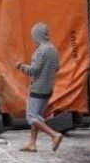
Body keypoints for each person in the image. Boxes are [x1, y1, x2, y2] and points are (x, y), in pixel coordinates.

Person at [16, 22, 63, 153]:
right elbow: (57, 68)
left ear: (37, 36)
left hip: (38, 89)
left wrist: (21, 66)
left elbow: (33, 71)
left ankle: (54, 135)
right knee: (37, 116)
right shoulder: (53, 49)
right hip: (48, 89)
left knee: (32, 117)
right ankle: (32, 143)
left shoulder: (41, 51)